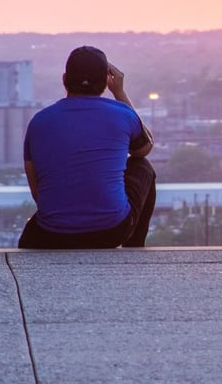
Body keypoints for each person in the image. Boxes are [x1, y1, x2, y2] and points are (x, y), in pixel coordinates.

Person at [18, 46, 157, 248]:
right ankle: (134, 248)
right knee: (143, 166)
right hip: (112, 231)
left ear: (64, 80)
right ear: (105, 83)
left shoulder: (40, 122)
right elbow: (144, 149)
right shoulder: (122, 114)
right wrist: (119, 92)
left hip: (52, 233)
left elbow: (36, 188)